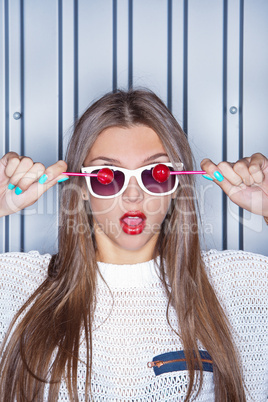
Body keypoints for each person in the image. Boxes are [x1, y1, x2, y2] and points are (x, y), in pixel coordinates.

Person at [0, 89, 267, 402]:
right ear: (82, 187)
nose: (133, 195)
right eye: (106, 176)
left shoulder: (240, 284)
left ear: (177, 183)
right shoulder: (15, 285)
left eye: (155, 174)